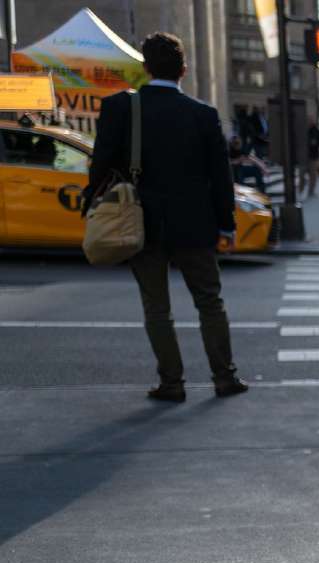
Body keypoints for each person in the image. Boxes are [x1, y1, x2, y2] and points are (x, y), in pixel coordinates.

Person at [84, 32, 247, 402]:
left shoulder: (120, 109)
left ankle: (172, 383)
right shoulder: (204, 115)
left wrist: (91, 204)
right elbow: (222, 177)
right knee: (210, 302)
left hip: (142, 223)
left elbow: (100, 167)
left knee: (157, 308)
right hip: (195, 224)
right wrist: (227, 225)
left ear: (144, 68)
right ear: (184, 70)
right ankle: (225, 377)